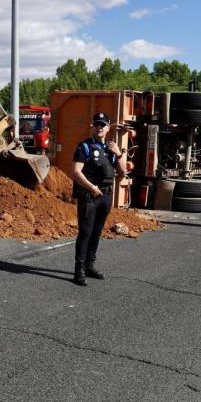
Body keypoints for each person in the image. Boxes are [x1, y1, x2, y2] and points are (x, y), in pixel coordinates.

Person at [71, 112, 127, 286]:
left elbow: (123, 172)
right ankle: (78, 270)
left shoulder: (111, 149)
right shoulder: (84, 147)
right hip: (89, 195)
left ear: (108, 128)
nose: (99, 127)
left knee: (97, 231)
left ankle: (90, 265)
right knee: (86, 232)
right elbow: (76, 172)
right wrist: (91, 187)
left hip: (106, 195)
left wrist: (118, 154)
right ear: (92, 127)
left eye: (103, 125)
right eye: (97, 124)